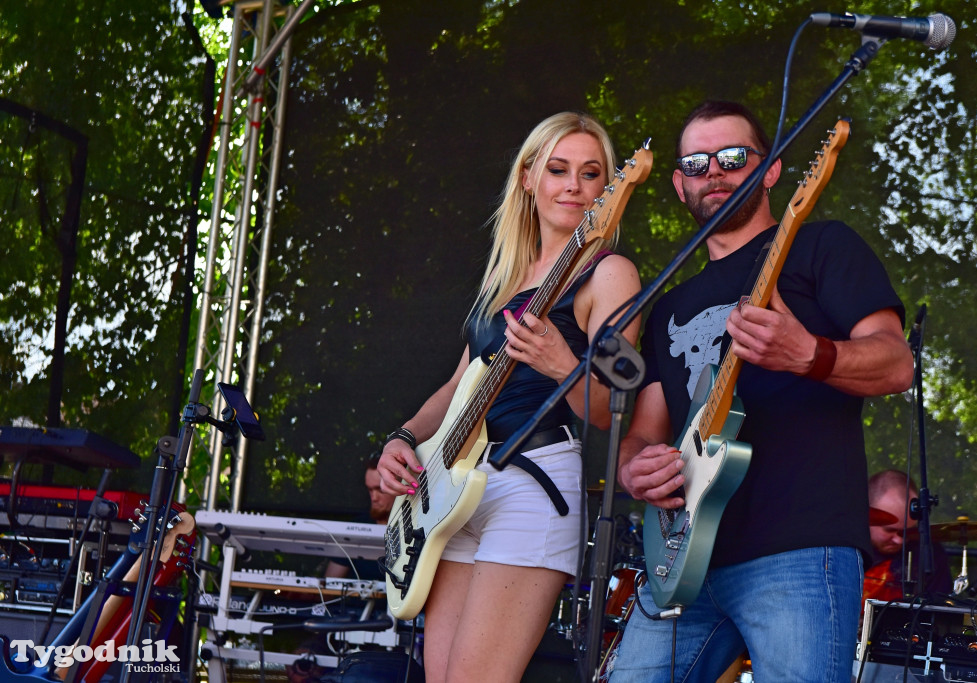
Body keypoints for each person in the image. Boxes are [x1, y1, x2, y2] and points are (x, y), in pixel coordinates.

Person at [610, 100, 915, 682]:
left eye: (731, 158)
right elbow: (644, 435)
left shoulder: (821, 246)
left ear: (771, 169)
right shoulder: (669, 307)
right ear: (678, 185)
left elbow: (896, 363)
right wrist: (633, 469)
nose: (714, 174)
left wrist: (810, 354)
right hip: (680, 560)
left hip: (800, 551)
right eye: (696, 164)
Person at [377, 111, 642, 683]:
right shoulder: (506, 277)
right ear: (528, 179)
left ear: (607, 191)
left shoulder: (609, 273)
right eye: (558, 169)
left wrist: (562, 363)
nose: (573, 185)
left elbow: (611, 408)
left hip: (534, 485)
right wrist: (402, 438)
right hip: (455, 489)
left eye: (591, 173)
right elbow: (457, 387)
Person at [864, 468, 953, 603]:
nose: (900, 540)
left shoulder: (930, 554)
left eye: (909, 530)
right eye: (890, 530)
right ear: (867, 516)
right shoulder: (845, 550)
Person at [326, 454, 396, 580]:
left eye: (380, 489)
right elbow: (328, 588)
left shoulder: (418, 527)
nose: (374, 498)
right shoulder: (357, 527)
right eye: (370, 490)